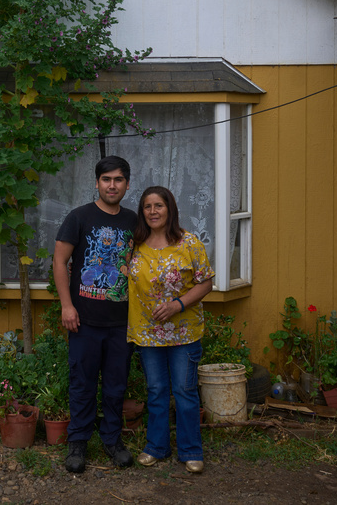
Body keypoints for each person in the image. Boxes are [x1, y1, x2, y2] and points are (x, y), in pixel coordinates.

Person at [53, 155, 137, 473]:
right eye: (106, 179)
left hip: (121, 322)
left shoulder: (134, 221)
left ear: (126, 184)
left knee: (116, 385)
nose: (112, 185)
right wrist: (67, 305)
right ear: (97, 183)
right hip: (84, 320)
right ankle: (78, 443)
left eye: (118, 180)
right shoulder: (79, 217)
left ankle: (112, 440)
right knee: (82, 383)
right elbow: (60, 261)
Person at [127, 185, 214, 474]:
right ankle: (156, 446)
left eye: (158, 206)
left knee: (185, 390)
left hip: (184, 332)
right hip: (147, 332)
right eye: (147, 207)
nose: (152, 211)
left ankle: (191, 450)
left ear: (170, 209)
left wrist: (177, 305)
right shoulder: (135, 245)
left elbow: (205, 283)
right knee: (156, 390)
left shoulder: (189, 243)